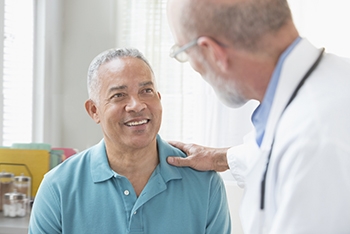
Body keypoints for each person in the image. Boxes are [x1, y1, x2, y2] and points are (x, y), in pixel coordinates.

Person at [166, 0, 350, 233]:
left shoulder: (315, 144)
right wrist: (219, 158)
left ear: (212, 52)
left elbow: (299, 151)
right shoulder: (332, 82)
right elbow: (274, 150)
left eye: (183, 53)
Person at [28, 48, 231, 233]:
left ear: (159, 98)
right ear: (94, 110)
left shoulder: (206, 183)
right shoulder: (58, 188)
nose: (136, 105)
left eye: (146, 91)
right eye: (119, 95)